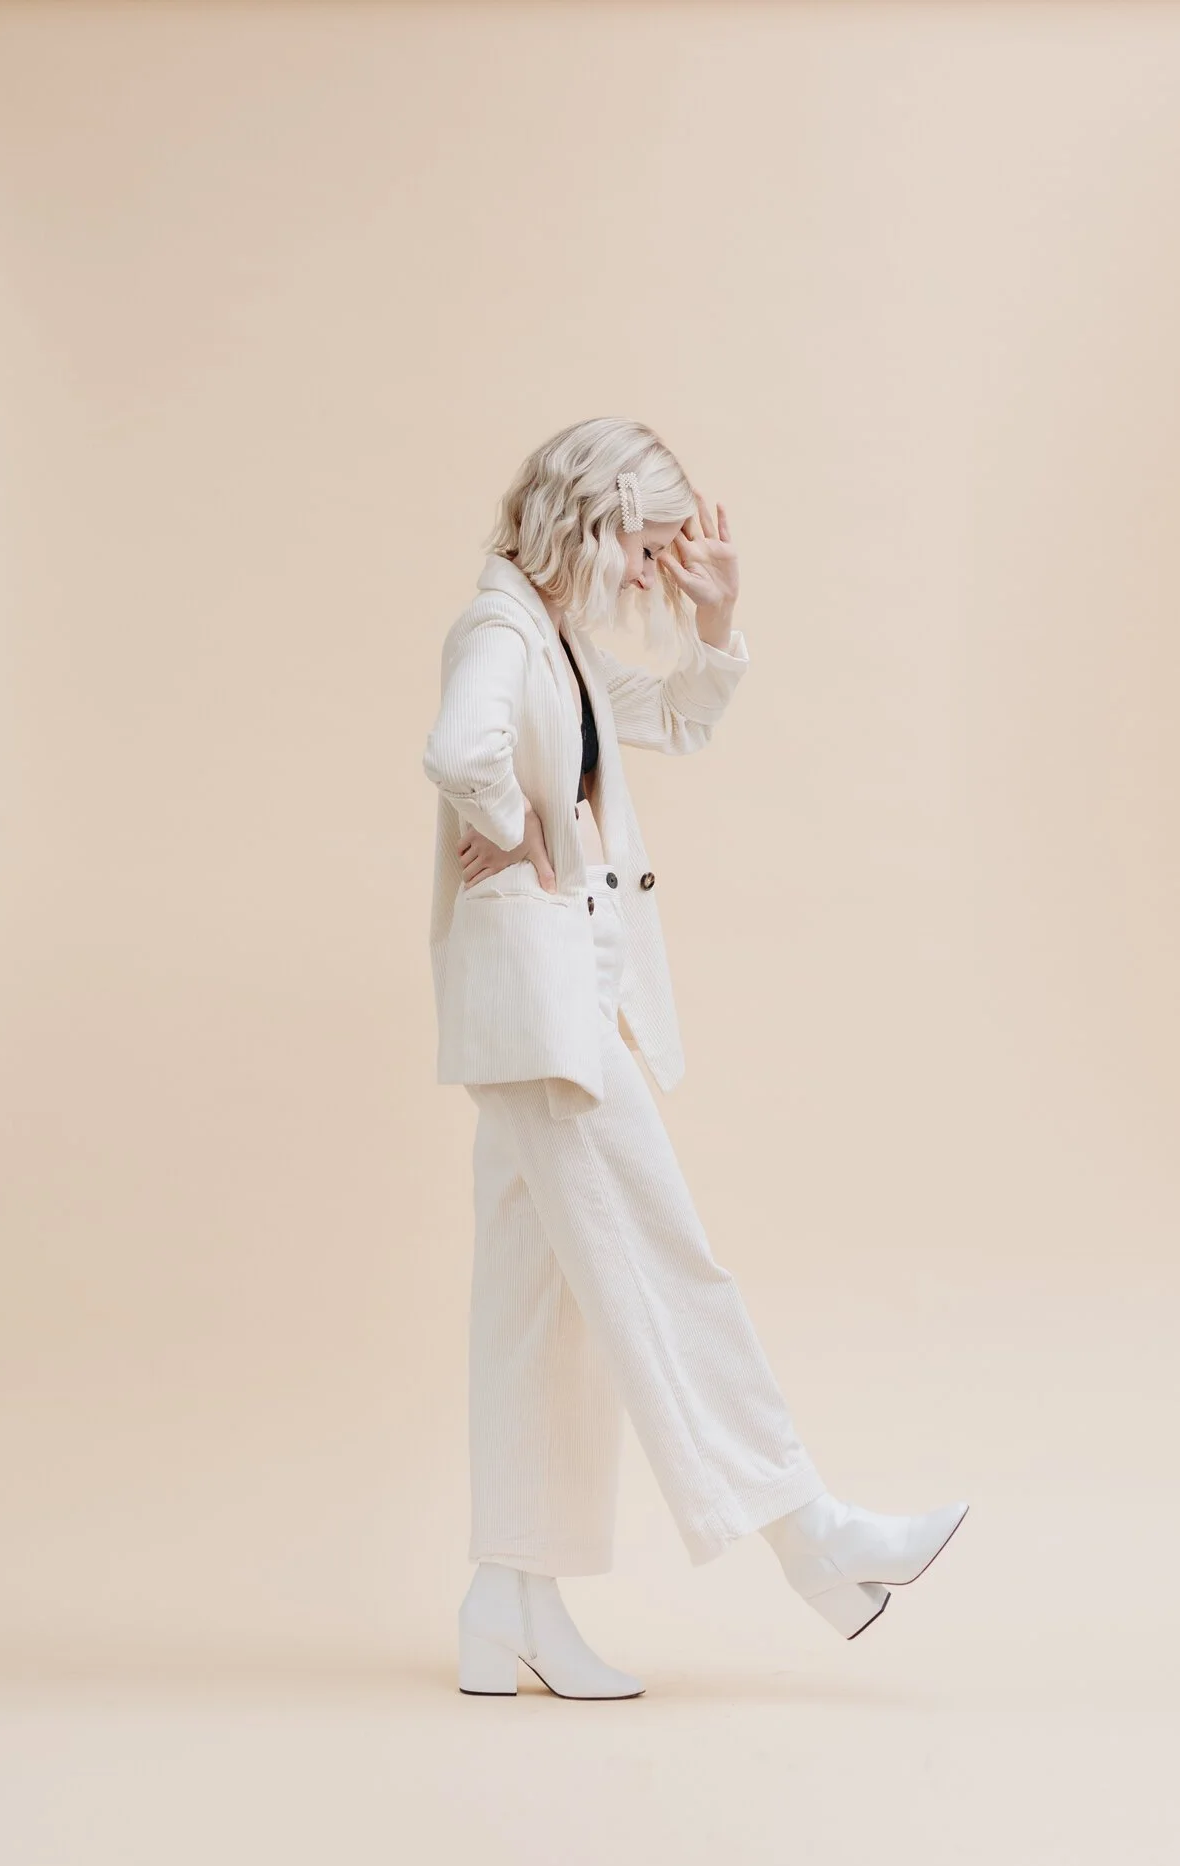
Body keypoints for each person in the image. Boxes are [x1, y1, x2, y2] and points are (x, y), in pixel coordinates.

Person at [422, 416, 967, 1700]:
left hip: (552, 1010)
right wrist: (522, 832)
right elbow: (461, 752)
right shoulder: (500, 632)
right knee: (667, 1260)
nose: (649, 575)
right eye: (647, 548)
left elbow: (675, 717)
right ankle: (810, 1531)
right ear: (596, 517)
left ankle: (508, 1600)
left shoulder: (555, 641)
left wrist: (717, 620)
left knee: (538, 1313)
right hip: (544, 1016)